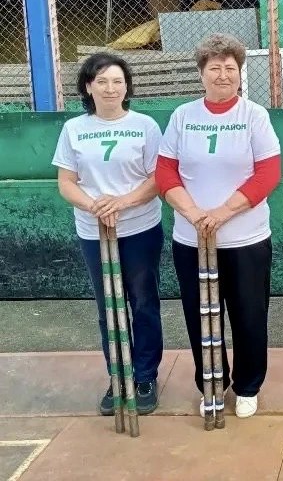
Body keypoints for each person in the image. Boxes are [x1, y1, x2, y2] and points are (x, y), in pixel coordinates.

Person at [155, 33, 282, 418]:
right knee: (201, 317)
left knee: (249, 316)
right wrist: (194, 213)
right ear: (201, 74)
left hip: (246, 239)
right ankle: (211, 383)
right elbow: (165, 172)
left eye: (230, 68)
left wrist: (223, 212)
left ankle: (247, 386)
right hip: (191, 239)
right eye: (214, 68)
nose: (223, 75)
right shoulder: (183, 116)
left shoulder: (254, 115)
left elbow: (268, 173)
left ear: (240, 73)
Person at [52, 52, 164, 416]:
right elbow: (66, 183)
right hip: (93, 231)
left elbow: (157, 179)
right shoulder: (74, 129)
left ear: (127, 87)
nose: (110, 88)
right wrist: (94, 207)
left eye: (117, 81)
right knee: (108, 306)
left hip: (140, 227)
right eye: (102, 81)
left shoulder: (145, 125)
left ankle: (145, 376)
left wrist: (122, 202)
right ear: (89, 87)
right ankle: (118, 374)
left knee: (143, 302)